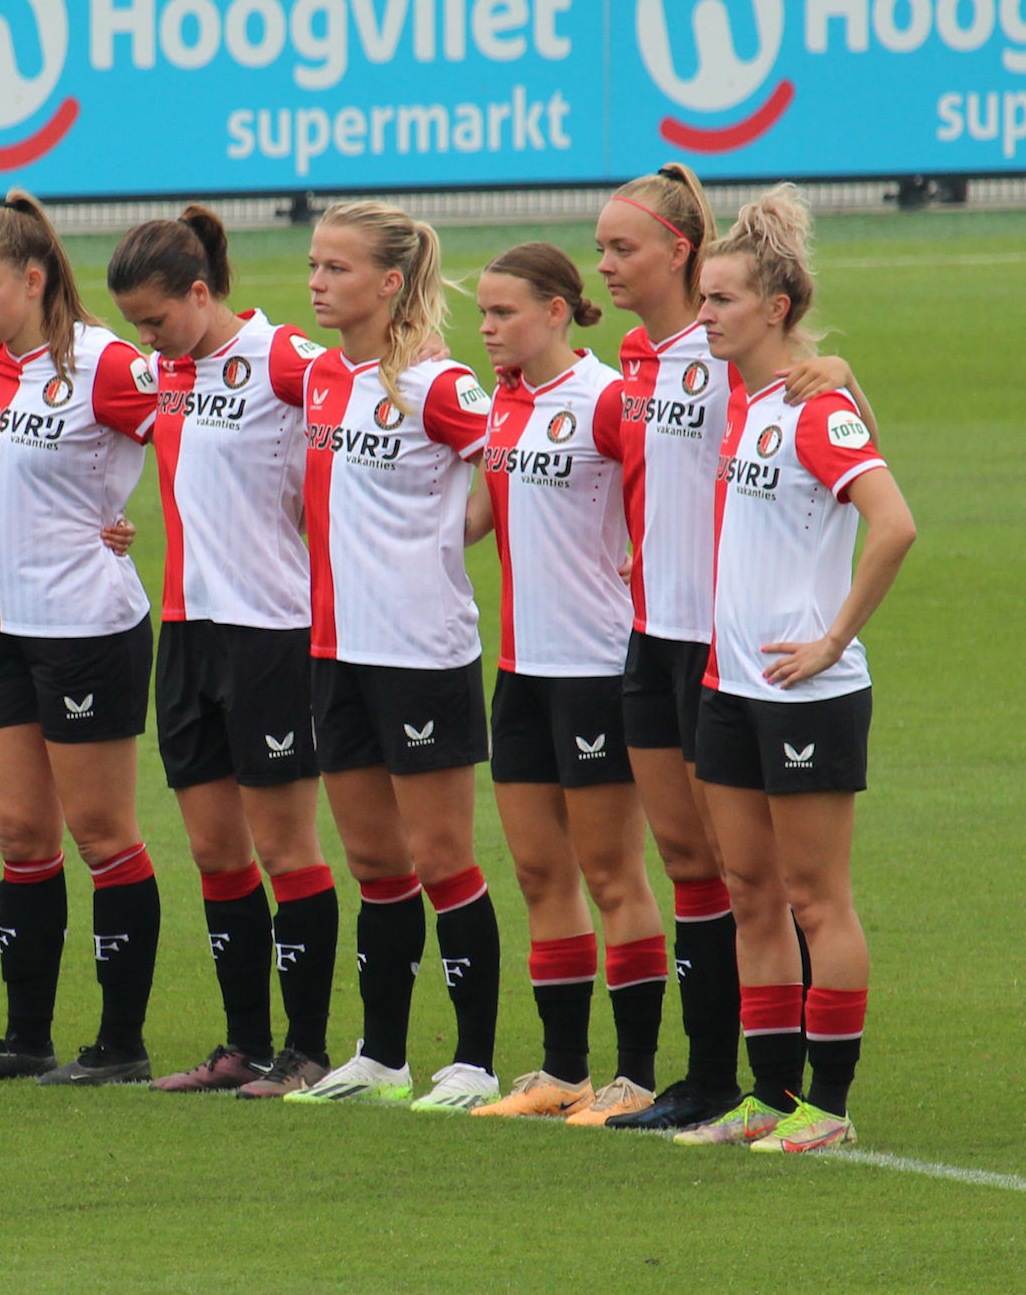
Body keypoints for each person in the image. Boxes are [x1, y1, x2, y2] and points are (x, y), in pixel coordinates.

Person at [591, 164, 876, 1130]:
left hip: (736, 644)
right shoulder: (636, 356)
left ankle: (789, 1093)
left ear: (680, 251)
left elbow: (842, 434)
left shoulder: (742, 361)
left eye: (621, 248)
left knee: (767, 879)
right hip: (659, 638)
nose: (607, 266)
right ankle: (716, 1078)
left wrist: (846, 376)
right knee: (701, 867)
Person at [672, 186, 913, 1152]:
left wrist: (829, 639)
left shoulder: (815, 408)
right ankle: (768, 1098)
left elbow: (894, 525)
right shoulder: (747, 399)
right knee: (750, 892)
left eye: (720, 301)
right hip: (731, 683)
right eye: (703, 300)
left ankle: (829, 1104)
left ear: (773, 308)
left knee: (819, 899)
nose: (705, 317)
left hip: (806, 689)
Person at [105, 207, 339, 1098]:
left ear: (200, 293)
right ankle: (243, 1044)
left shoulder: (283, 360)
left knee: (286, 850)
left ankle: (309, 1050)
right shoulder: (167, 374)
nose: (146, 337)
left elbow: (375, 399)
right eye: (133, 324)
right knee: (215, 852)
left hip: (270, 633)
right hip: (188, 632)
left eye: (156, 319)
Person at [283, 201, 504, 1114]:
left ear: (388, 282)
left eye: (336, 269)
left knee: (445, 856)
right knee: (376, 862)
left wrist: (457, 536)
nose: (317, 282)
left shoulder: (439, 384)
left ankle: (477, 1061)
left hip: (422, 651)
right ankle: (378, 1054)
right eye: (313, 265)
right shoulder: (322, 378)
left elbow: (512, 463)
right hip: (337, 650)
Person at [0, 192, 161, 1086]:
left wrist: (130, 517)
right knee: (23, 834)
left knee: (102, 833)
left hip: (89, 629)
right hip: (4, 627)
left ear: (33, 280)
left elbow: (189, 436)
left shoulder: (107, 365)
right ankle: (24, 1036)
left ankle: (120, 1046)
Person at [461, 243, 668, 1125]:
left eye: (503, 312)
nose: (488, 328)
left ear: (555, 311)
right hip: (520, 673)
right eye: (482, 315)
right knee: (543, 872)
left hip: (594, 671)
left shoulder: (606, 401)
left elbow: (676, 489)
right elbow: (471, 521)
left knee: (613, 873)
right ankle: (562, 1071)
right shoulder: (507, 407)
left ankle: (637, 1075)